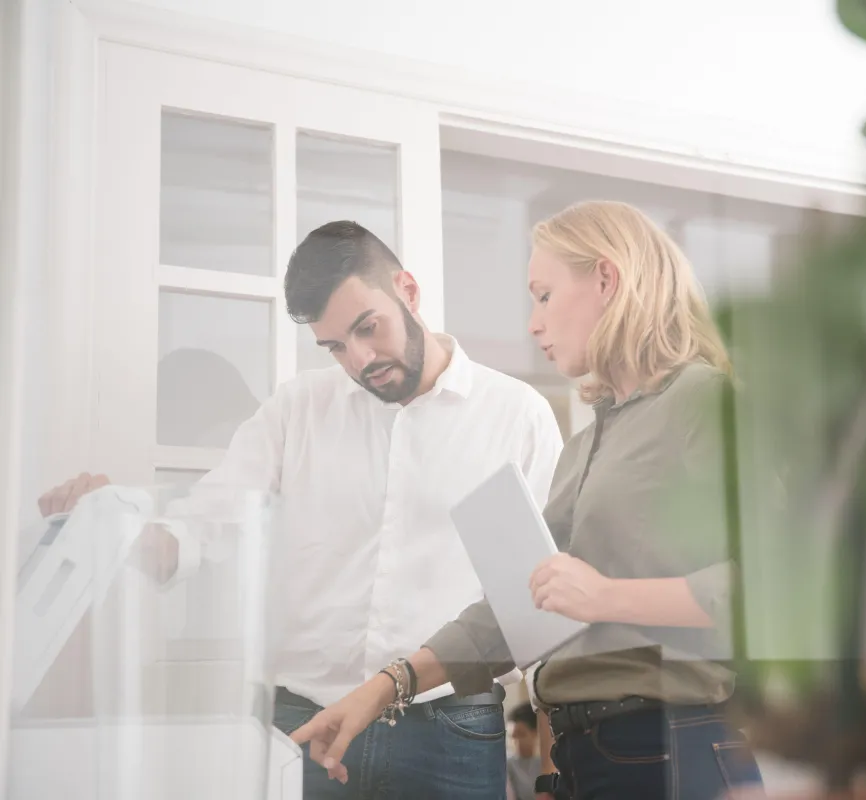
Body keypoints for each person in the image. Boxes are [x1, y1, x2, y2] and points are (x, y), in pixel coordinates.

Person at [38, 221, 564, 800]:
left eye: (369, 329)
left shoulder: (518, 415)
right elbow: (200, 525)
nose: (360, 360)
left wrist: (550, 768)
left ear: (408, 291)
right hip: (303, 726)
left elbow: (538, 603)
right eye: (335, 346)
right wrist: (110, 520)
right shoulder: (297, 409)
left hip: (451, 731)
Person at [291, 202, 763, 799]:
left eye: (543, 295)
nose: (533, 323)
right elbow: (517, 614)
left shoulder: (706, 401)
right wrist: (383, 689)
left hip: (670, 748)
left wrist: (605, 596)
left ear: (606, 279)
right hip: (588, 757)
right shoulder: (587, 444)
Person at [506, 704, 541, 800]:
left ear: (535, 733)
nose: (516, 742)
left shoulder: (547, 763)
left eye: (521, 734)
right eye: (512, 736)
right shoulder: (507, 765)